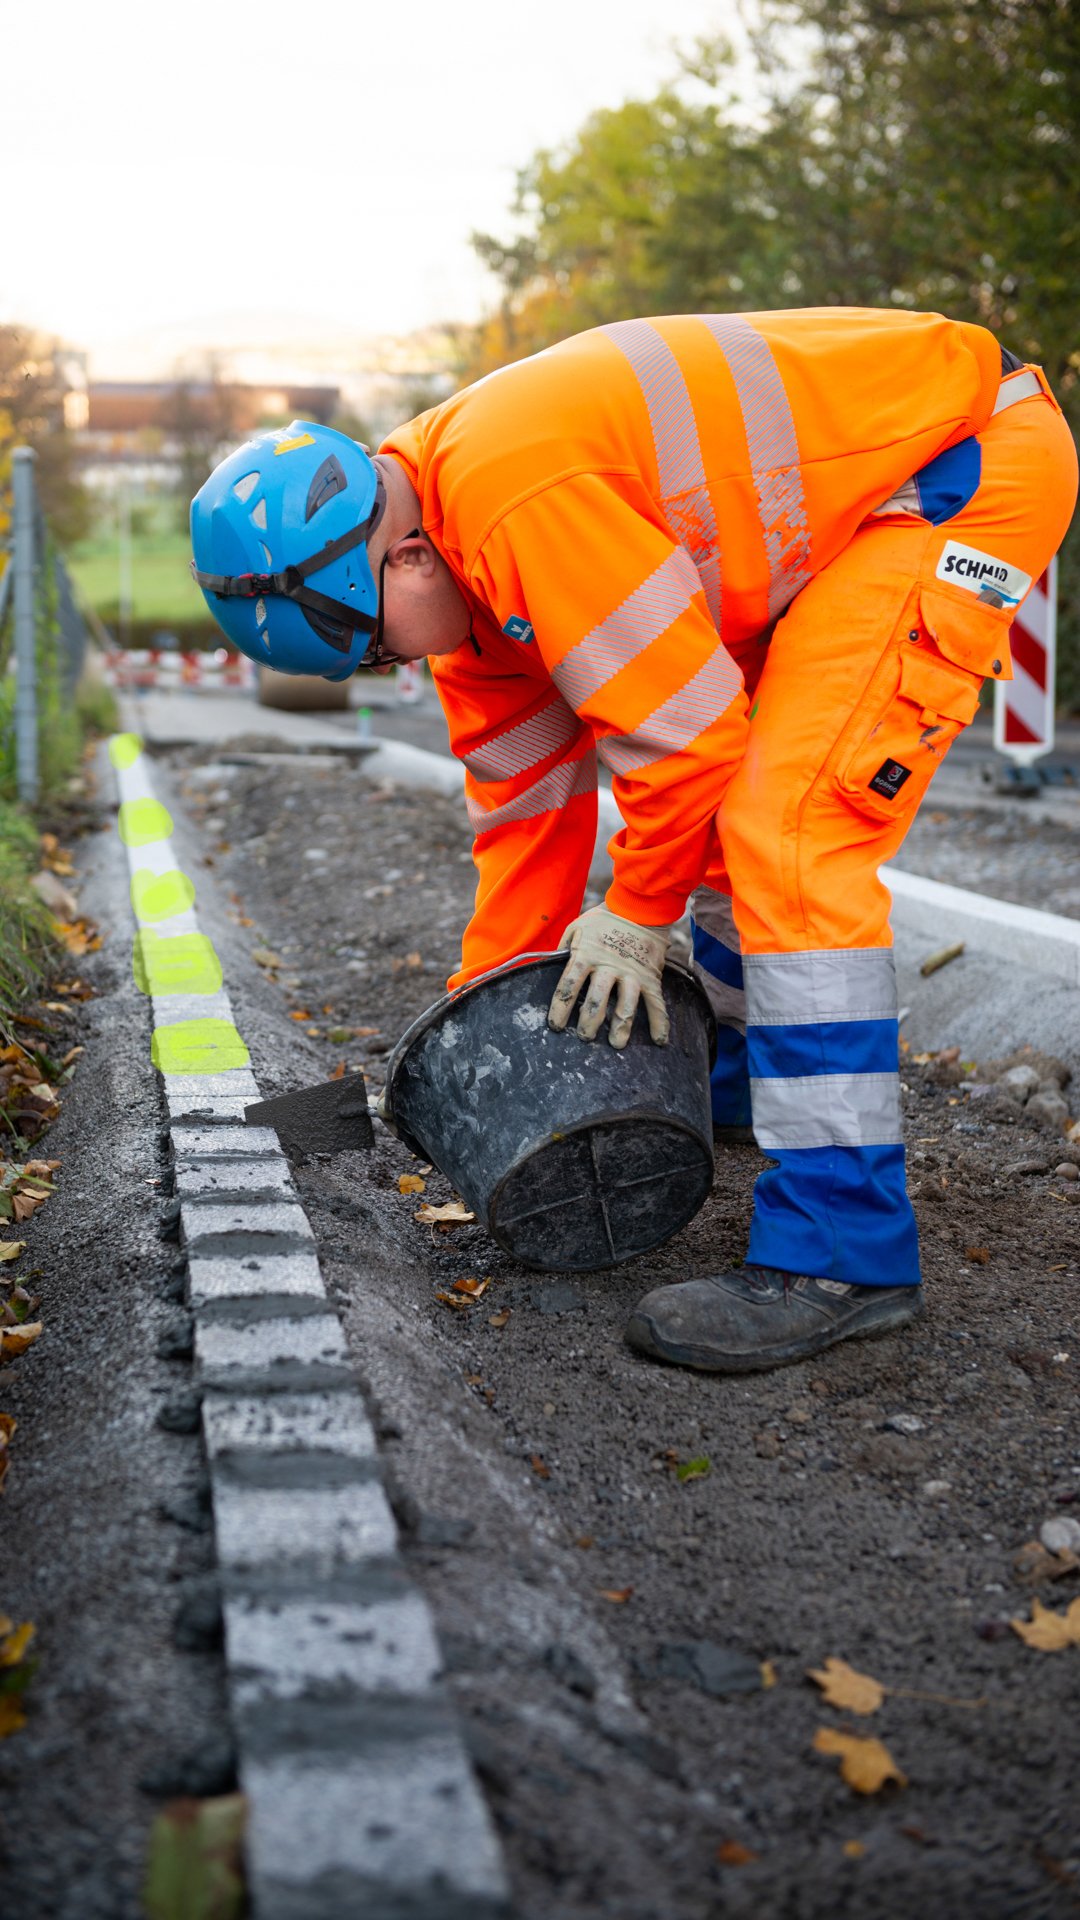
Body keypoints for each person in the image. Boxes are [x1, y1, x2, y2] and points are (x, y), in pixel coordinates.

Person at [191, 309, 1077, 1373]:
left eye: (376, 650)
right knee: (717, 824)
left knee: (783, 824)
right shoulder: (466, 599)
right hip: (855, 505)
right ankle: (743, 1084)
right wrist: (476, 1053)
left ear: (407, 555)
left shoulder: (518, 503)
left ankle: (843, 1251)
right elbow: (526, 832)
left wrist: (637, 915)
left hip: (953, 469)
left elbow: (690, 743)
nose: (394, 668)